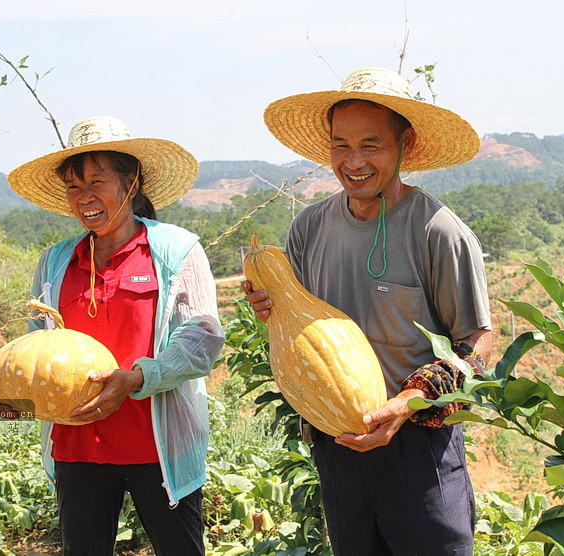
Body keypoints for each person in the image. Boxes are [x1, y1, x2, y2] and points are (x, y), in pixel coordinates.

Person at [242, 68, 493, 555]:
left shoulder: (438, 230)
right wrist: (268, 308)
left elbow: (479, 342)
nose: (353, 162)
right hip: (337, 442)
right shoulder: (308, 227)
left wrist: (408, 402)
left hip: (419, 445)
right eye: (341, 146)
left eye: (371, 145)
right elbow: (300, 328)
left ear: (406, 143)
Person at [0, 116, 224, 555]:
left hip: (157, 448)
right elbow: (37, 348)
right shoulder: (54, 263)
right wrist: (8, 394)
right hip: (77, 448)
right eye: (74, 187)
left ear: (132, 183)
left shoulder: (175, 249)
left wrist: (137, 378)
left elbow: (202, 340)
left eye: (97, 181)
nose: (84, 197)